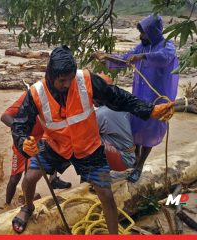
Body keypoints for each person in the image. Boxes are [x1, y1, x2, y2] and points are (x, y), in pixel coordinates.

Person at [10, 45, 174, 234]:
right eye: (62, 81)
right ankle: (28, 207)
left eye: (70, 79)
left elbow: (118, 97)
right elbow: (19, 125)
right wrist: (23, 143)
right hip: (55, 145)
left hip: (88, 147)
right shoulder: (35, 93)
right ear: (50, 76)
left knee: (106, 194)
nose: (67, 85)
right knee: (29, 178)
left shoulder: (85, 80)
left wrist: (150, 110)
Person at [92, 14, 179, 183]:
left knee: (150, 130)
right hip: (140, 94)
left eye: (144, 33)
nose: (141, 36)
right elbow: (126, 59)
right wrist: (106, 56)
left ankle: (139, 166)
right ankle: (136, 159)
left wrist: (143, 57)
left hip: (158, 97)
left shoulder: (167, 46)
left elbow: (164, 57)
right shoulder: (141, 47)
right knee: (137, 127)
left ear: (152, 32)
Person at [1, 93, 72, 205]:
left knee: (52, 153)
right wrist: (21, 132)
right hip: (23, 142)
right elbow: (5, 117)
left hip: (41, 140)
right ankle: (7, 204)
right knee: (15, 178)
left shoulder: (59, 98)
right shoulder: (28, 98)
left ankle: (53, 180)